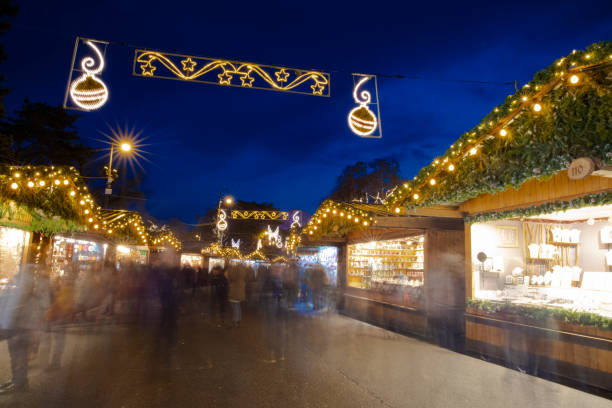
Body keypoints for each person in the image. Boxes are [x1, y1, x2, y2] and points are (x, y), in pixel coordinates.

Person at [0, 265, 50, 394]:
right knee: (16, 354)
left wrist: (7, 325)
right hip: (17, 326)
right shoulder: (24, 284)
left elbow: (15, 307)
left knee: (19, 354)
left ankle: (19, 382)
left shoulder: (28, 286)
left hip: (21, 326)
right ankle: (17, 380)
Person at [226, 263, 247, 327]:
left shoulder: (235, 276)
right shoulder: (242, 275)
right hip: (239, 293)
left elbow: (230, 277)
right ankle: (238, 319)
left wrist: (229, 270)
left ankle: (236, 320)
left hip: (235, 293)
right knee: (237, 306)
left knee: (235, 306)